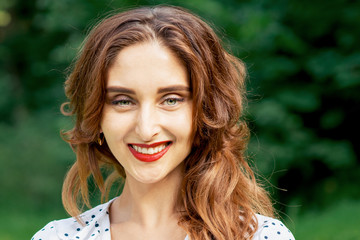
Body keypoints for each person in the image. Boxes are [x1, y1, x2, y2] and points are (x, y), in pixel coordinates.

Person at [32, 5, 295, 240]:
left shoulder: (261, 236)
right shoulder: (56, 237)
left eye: (171, 99)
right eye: (123, 101)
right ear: (96, 115)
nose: (146, 129)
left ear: (207, 111)